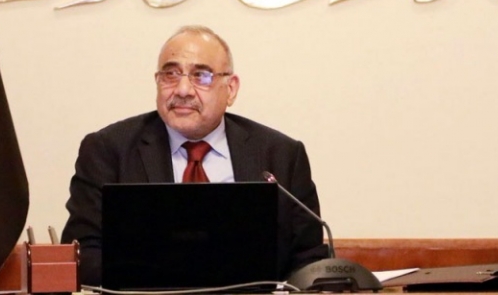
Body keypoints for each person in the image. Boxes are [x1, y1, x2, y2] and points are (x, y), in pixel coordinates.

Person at [60, 25, 328, 286]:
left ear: (231, 89)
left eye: (201, 76)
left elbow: (308, 260)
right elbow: (83, 255)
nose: (183, 90)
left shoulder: (281, 155)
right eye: (170, 74)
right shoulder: (108, 151)